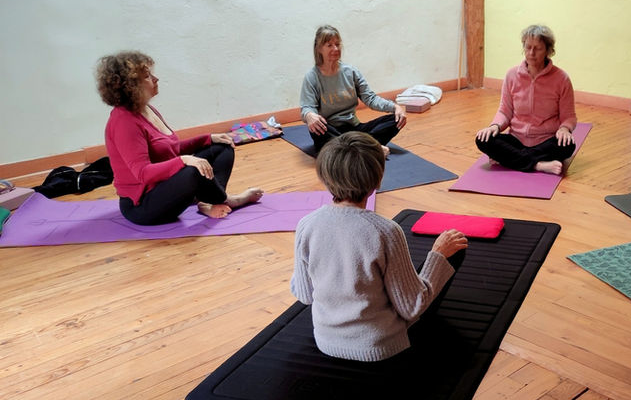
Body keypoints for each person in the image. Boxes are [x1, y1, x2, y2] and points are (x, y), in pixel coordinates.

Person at [290, 131, 468, 362]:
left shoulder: (306, 225)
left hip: (325, 341)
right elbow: (411, 307)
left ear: (324, 178)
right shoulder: (386, 231)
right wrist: (438, 255)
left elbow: (304, 295)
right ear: (378, 179)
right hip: (380, 347)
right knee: (453, 248)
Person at [98, 51, 263, 226]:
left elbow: (170, 149)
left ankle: (209, 201)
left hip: (165, 188)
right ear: (130, 86)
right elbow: (142, 173)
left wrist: (207, 139)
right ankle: (229, 199)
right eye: (147, 76)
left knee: (222, 148)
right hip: (143, 207)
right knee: (193, 169)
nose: (155, 79)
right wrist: (184, 161)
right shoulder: (124, 122)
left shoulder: (147, 109)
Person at [475, 25, 577, 175]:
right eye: (528, 47)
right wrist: (495, 126)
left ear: (548, 51)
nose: (531, 53)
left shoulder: (562, 79)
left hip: (546, 140)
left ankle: (510, 159)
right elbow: (505, 110)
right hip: (517, 139)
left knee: (567, 146)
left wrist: (564, 129)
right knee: (483, 139)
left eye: (538, 48)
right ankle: (539, 165)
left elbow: (568, 116)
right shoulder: (511, 75)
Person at [300, 25, 407, 156]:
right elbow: (307, 107)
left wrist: (395, 107)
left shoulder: (351, 72)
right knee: (316, 128)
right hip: (330, 130)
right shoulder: (312, 77)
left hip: (354, 129)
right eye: (329, 45)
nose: (335, 48)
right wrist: (309, 115)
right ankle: (369, 148)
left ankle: (355, 149)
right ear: (319, 48)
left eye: (337, 44)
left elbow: (370, 99)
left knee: (395, 119)